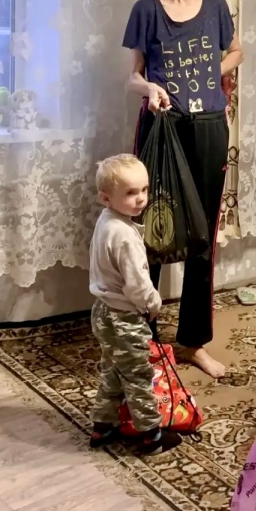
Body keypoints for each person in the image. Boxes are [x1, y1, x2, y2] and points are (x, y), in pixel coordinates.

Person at [124, 0, 243, 380]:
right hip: (162, 128)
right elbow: (133, 75)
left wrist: (210, 74)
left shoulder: (216, 7)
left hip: (209, 127)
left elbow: (236, 52)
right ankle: (146, 343)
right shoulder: (146, 10)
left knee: (202, 237)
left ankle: (192, 342)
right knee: (154, 231)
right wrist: (150, 87)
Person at [88, 153, 180, 454]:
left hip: (102, 311)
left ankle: (103, 425)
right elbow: (137, 284)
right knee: (138, 375)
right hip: (124, 317)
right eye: (130, 193)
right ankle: (151, 435)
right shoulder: (125, 236)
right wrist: (153, 304)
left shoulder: (106, 221)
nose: (140, 198)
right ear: (105, 197)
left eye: (144, 190)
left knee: (113, 370)